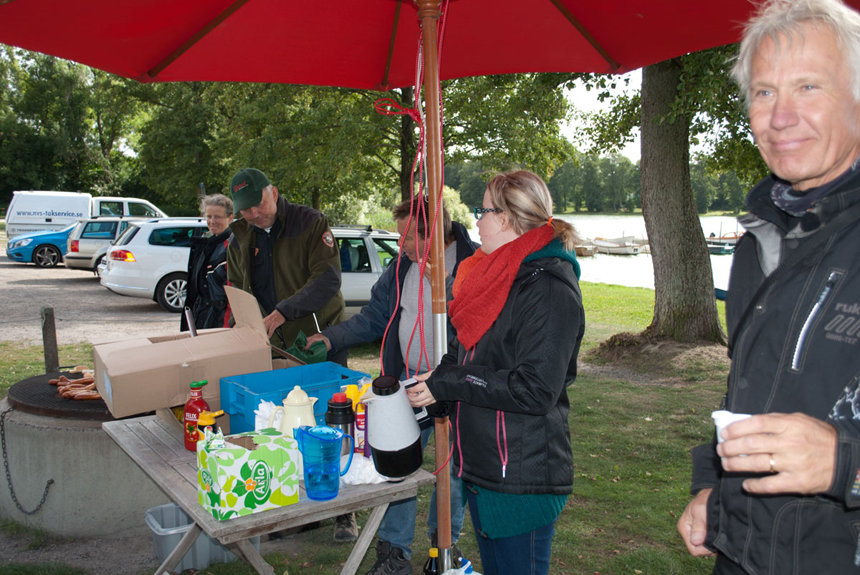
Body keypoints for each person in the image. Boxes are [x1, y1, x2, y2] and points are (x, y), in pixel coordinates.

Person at [677, 1, 860, 573]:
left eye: (809, 86)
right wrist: (712, 487)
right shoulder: (762, 238)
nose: (780, 117)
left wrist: (844, 462)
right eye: (763, 92)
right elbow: (751, 393)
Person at [408, 171, 584, 575]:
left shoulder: (548, 287)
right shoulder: (490, 277)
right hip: (486, 468)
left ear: (505, 218)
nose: (475, 221)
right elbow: (466, 354)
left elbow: (535, 389)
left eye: (481, 211)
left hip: (521, 478)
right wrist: (437, 388)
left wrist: (450, 382)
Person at [306, 195, 478, 575]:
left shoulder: (472, 263)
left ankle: (443, 549)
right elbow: (374, 317)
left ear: (433, 231)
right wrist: (332, 338)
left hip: (453, 386)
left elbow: (480, 327)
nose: (400, 245)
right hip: (405, 384)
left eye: (407, 237)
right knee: (396, 466)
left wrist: (446, 291)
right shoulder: (402, 267)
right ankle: (393, 553)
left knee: (453, 473)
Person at [226, 167, 353, 540]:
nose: (253, 214)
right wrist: (245, 321)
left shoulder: (310, 223)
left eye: (257, 205)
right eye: (245, 209)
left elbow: (328, 279)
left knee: (332, 422)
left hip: (318, 340)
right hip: (270, 345)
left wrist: (285, 310)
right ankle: (293, 506)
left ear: (274, 192)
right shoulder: (240, 236)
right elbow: (236, 285)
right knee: (279, 426)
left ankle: (345, 511)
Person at [180, 194, 234, 332]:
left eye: (218, 217)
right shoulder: (205, 244)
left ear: (230, 218)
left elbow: (235, 291)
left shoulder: (234, 246)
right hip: (201, 314)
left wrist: (227, 325)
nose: (212, 221)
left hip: (222, 319)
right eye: (209, 216)